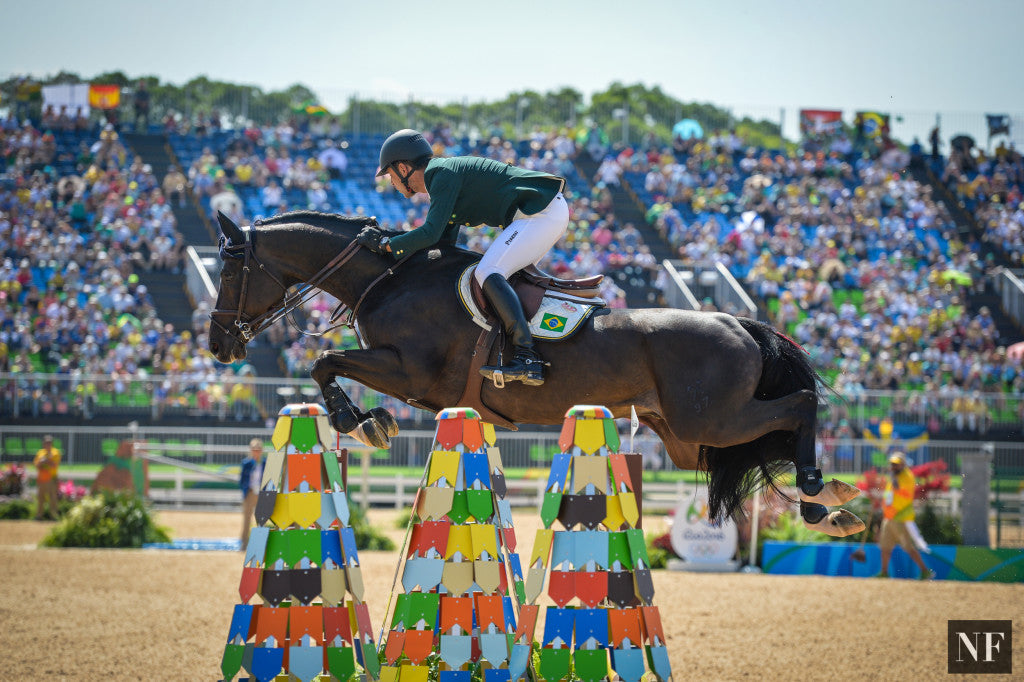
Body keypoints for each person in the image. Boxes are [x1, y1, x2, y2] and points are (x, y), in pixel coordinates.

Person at [358, 128, 569, 386]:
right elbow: (441, 244)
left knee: (488, 271)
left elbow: (429, 232)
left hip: (538, 214)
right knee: (500, 275)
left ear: (403, 168)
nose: (390, 182)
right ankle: (537, 348)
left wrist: (385, 244)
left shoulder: (441, 174)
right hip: (541, 213)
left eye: (390, 175)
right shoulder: (443, 177)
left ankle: (527, 357)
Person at [876, 452, 934, 579]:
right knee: (885, 547)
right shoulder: (894, 477)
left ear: (903, 465)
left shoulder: (907, 476)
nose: (893, 466)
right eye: (892, 464)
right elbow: (889, 496)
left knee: (909, 548)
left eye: (896, 464)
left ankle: (925, 571)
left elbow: (903, 494)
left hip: (901, 518)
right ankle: (884, 573)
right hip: (889, 517)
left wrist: (893, 479)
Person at [239, 438, 264, 549]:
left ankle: (260, 544)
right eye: (254, 449)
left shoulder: (264, 463)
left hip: (262, 494)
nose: (256, 451)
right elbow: (242, 479)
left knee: (261, 520)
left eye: (258, 449)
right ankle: (244, 544)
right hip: (249, 493)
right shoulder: (247, 463)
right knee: (246, 520)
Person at [33, 435, 61, 520]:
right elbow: (37, 465)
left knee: (53, 498)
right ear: (43, 444)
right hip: (41, 479)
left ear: (52, 444)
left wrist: (45, 460)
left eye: (49, 443)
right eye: (46, 443)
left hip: (51, 478)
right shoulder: (40, 453)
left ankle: (53, 516)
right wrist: (43, 462)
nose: (47, 445)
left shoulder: (55, 452)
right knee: (40, 498)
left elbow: (54, 465)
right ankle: (39, 515)